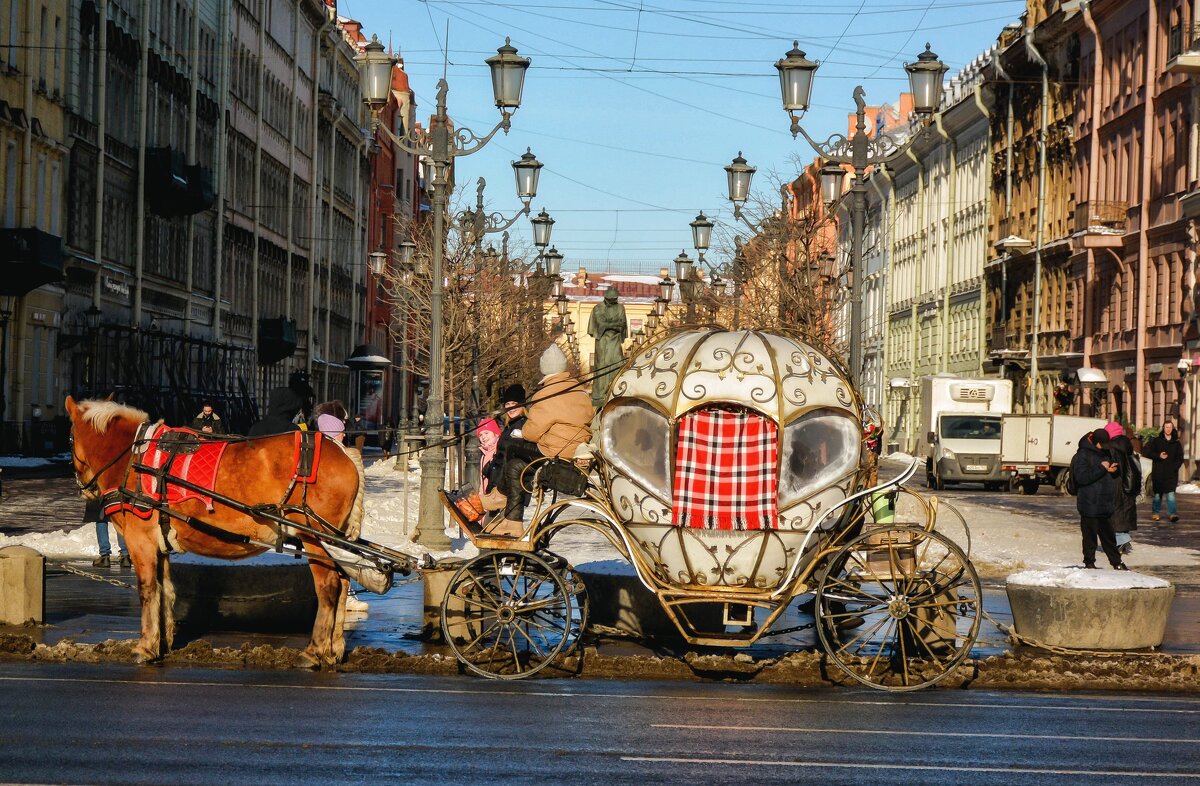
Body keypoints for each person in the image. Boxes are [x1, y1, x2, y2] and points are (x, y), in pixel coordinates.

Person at [490, 345, 594, 536]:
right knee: (515, 466)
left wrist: (524, 434)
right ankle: (512, 521)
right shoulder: (580, 391)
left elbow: (531, 432)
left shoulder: (546, 393)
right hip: (574, 449)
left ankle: (500, 495)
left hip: (555, 451)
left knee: (513, 446)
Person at [1069, 428, 1127, 570]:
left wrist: (1114, 470)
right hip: (1089, 503)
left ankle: (1116, 562)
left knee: (1109, 537)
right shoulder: (1082, 455)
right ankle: (1089, 563)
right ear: (1096, 443)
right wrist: (1102, 468)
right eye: (1103, 444)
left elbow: (1109, 470)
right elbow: (1082, 478)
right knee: (1089, 537)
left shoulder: (1104, 452)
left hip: (1104, 503)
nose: (1105, 447)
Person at [587, 285, 628, 411]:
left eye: (614, 299)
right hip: (603, 342)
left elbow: (621, 324)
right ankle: (599, 395)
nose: (613, 302)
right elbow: (600, 324)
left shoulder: (620, 308)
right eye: (611, 299)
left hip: (615, 341)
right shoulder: (598, 308)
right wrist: (612, 325)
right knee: (602, 367)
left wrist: (609, 325)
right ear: (605, 298)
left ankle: (614, 390)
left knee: (617, 363)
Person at [1106, 422, 1141, 556]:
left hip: (1116, 485)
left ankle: (1122, 541)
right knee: (1124, 514)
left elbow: (1114, 468)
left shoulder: (1112, 448)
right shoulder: (1128, 446)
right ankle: (1124, 541)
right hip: (1128, 487)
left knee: (1116, 515)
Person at [1145, 420, 1184, 523]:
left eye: (1170, 427)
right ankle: (1155, 513)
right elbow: (1147, 452)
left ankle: (1172, 514)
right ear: (1163, 428)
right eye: (1166, 427)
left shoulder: (1176, 443)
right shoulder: (1157, 441)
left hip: (1171, 474)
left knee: (1171, 495)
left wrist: (1174, 467)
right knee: (1158, 495)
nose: (1168, 429)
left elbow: (1180, 458)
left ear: (1173, 428)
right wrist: (1158, 456)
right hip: (1159, 473)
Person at [87, 497, 129, 568]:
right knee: (120, 515)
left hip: (100, 488)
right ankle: (125, 556)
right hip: (118, 489)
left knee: (101, 516)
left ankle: (104, 556)